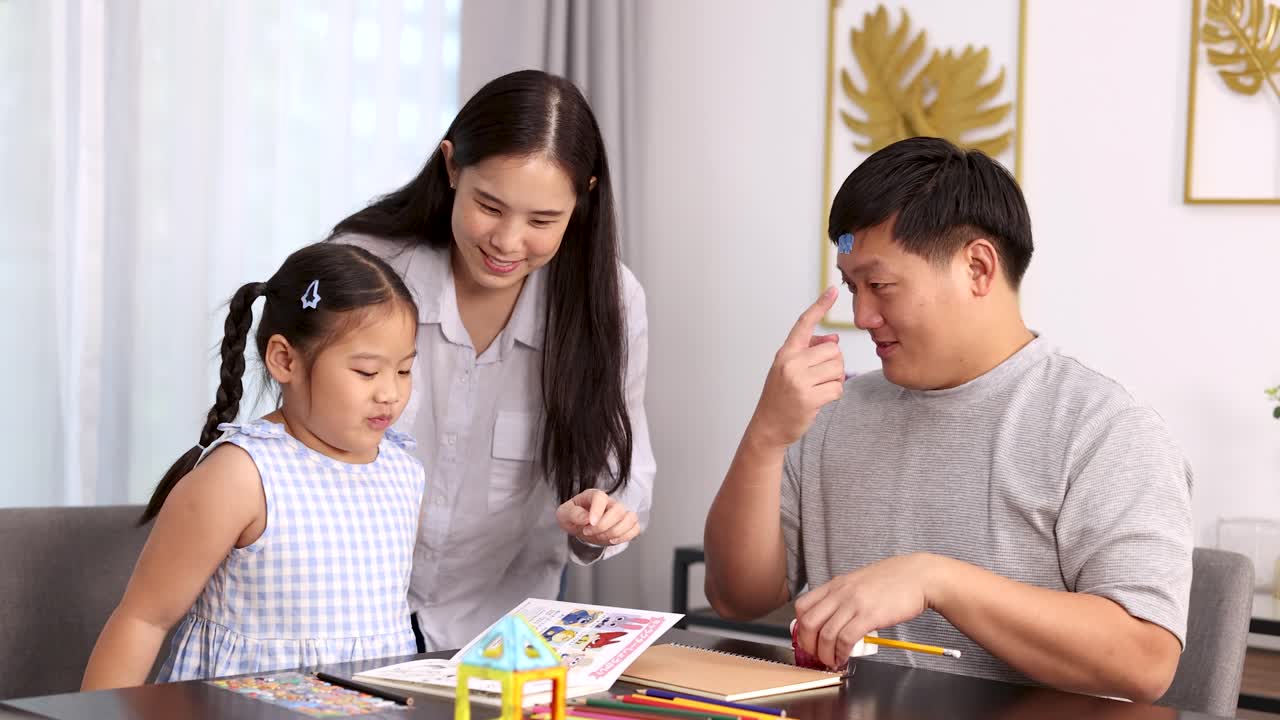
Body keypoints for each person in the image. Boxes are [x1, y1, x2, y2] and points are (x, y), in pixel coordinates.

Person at [703, 137, 1193, 703]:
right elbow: (736, 597)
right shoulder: (834, 413)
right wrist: (766, 434)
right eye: (852, 287)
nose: (861, 316)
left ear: (978, 268)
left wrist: (935, 580)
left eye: (881, 285)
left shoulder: (1103, 428)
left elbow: (1145, 661)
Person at [330, 69, 655, 650]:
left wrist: (600, 518)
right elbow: (300, 451)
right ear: (451, 167)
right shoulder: (366, 266)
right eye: (489, 205)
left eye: (541, 221)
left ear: (584, 199)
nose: (507, 242)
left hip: (499, 635)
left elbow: (620, 473)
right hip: (341, 619)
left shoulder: (610, 302)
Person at [82, 243, 424, 688]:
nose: (390, 394)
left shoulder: (403, 472)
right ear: (285, 360)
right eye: (366, 372)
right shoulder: (241, 477)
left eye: (403, 371)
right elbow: (143, 620)